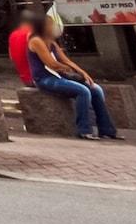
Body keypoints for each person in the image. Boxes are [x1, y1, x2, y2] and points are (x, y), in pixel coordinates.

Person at [25, 10, 119, 140]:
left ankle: (106, 130)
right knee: (83, 91)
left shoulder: (51, 42)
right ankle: (84, 129)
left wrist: (83, 73)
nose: (53, 27)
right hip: (45, 78)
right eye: (50, 24)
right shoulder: (36, 41)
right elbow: (52, 64)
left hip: (59, 76)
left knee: (96, 89)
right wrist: (68, 69)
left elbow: (65, 60)